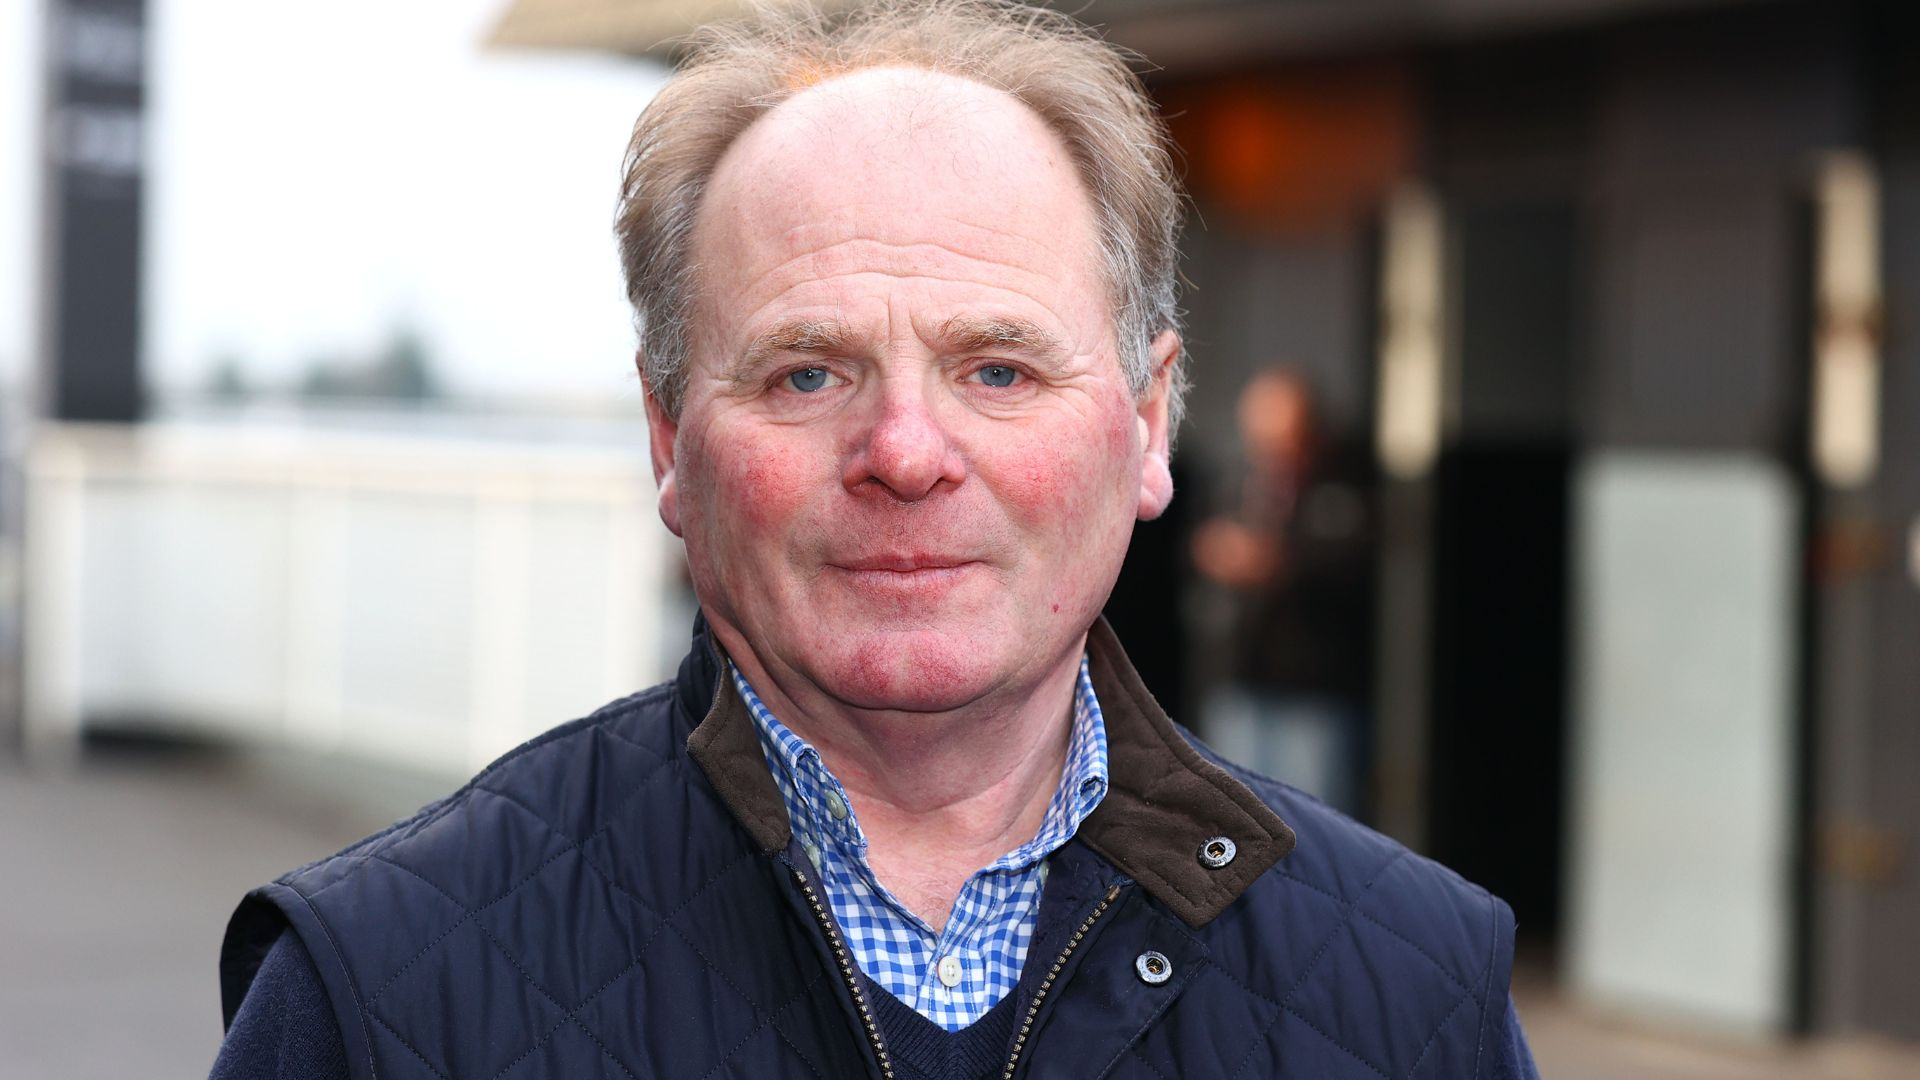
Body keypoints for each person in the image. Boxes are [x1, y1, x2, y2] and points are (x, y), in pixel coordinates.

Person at [210, 3, 1538, 1077]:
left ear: (1146, 425)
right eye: (807, 373)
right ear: (670, 441)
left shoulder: (1420, 994)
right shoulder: (372, 996)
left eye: (999, 370)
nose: (905, 451)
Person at [1193, 368, 1376, 817]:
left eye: (1282, 438)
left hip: (1314, 691)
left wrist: (1270, 562)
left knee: (1312, 821)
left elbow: (1345, 561)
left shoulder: (1343, 486)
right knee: (1233, 817)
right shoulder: (1239, 482)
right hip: (1240, 680)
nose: (1270, 451)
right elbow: (1208, 546)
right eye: (1260, 437)